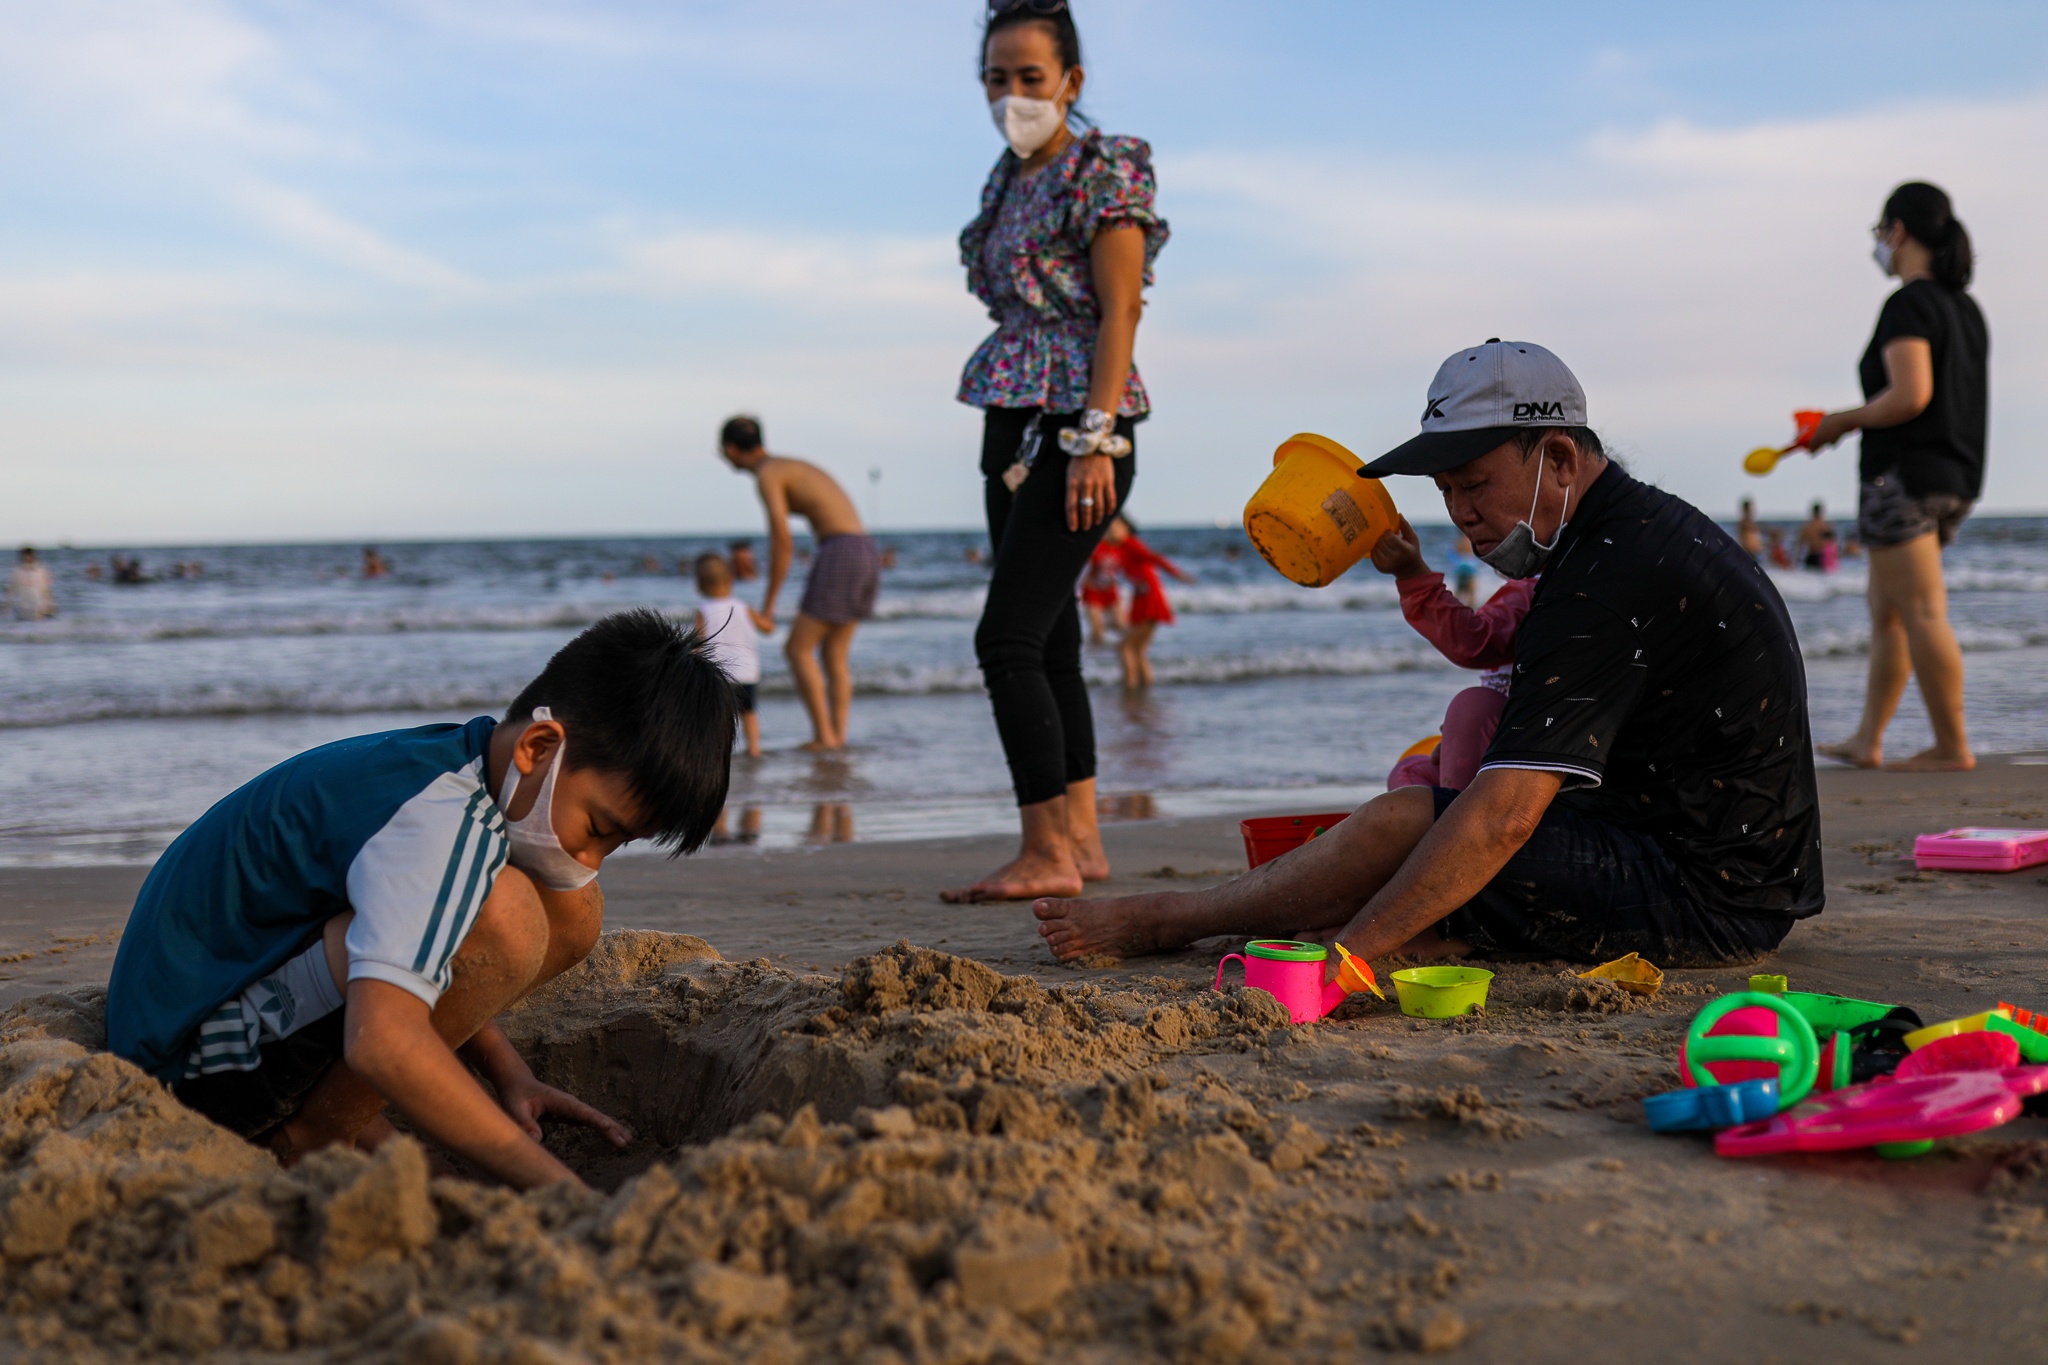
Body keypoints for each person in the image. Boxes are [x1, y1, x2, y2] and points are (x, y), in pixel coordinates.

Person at [1034, 340, 1822, 974]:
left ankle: (1173, 917)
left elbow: (1507, 815)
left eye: (1476, 483)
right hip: (1708, 859)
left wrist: (1349, 959)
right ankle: (1309, 918)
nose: (1462, 515)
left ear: (1560, 457)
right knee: (1432, 805)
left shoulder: (1605, 575)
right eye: (1447, 489)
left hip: (1707, 899)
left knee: (1414, 821)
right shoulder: (1620, 535)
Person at [105, 611, 736, 1190]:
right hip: (187, 1058)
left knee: (572, 911)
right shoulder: (438, 823)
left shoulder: (467, 761)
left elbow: (417, 927)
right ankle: (316, 1135)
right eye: (599, 828)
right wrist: (561, 1192)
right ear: (539, 747)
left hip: (225, 977)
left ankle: (345, 1107)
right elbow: (383, 1040)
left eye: (619, 844)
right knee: (510, 917)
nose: (593, 858)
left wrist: (506, 1072)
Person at [943, 0, 1169, 903]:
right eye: (996, 78)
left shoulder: (1102, 167)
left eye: (1029, 78)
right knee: (1051, 634)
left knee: (1004, 638)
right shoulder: (1005, 179)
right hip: (1010, 408)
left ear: (1070, 83)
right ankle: (1079, 837)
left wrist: (1095, 439)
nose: (1011, 95)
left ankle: (1044, 852)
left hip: (1078, 417)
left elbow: (1121, 311)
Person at [1808, 183, 1987, 772]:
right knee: (1887, 610)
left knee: (1923, 613)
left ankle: (1952, 748)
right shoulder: (1964, 308)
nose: (1880, 244)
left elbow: (1912, 395)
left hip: (1904, 477)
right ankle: (1868, 739)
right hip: (1953, 475)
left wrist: (1840, 421)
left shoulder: (1908, 305)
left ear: (1899, 231)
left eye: (1881, 231)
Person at [716, 415, 881, 752]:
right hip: (864, 548)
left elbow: (782, 541)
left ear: (730, 449)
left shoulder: (768, 475)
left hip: (841, 549)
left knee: (797, 649)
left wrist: (769, 605)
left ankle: (825, 737)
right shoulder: (785, 465)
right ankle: (837, 736)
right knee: (834, 654)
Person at [1370, 520, 1535, 792]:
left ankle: (1455, 827)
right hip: (1496, 746)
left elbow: (1473, 640)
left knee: (1471, 707)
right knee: (1408, 773)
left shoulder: (1535, 590)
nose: (1462, 513)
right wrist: (1460, 739)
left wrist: (1411, 574)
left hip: (1522, 760)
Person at [694, 551, 769, 758]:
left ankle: (721, 750)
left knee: (721, 715)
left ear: (699, 586)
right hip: (747, 671)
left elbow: (698, 643)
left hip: (720, 673)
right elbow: (767, 628)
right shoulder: (744, 607)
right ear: (730, 580)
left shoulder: (703, 610)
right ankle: (754, 747)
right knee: (749, 712)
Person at [1104, 517, 1189, 689]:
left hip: (1149, 601)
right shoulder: (1120, 549)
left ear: (1125, 528)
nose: (1109, 532)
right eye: (1107, 528)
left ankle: (1130, 689)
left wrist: (1176, 574)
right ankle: (1144, 689)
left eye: (1114, 527)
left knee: (1125, 648)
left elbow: (1155, 558)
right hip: (1141, 600)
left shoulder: (1131, 544)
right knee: (1138, 650)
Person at [1080, 539, 1123, 646]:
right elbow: (1084, 571)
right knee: (1098, 630)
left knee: (1120, 624)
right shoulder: (1095, 547)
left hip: (1110, 590)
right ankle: (1093, 657)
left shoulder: (1120, 547)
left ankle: (1117, 651)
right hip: (1093, 591)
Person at [6, 547, 55, 621]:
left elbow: (45, 589)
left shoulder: (41, 570)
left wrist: (50, 604)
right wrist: (6, 604)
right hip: (22, 606)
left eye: (30, 556)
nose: (28, 558)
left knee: (38, 625)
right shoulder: (17, 571)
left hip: (38, 606)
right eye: (25, 556)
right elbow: (12, 589)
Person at [1797, 502, 1838, 572]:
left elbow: (1799, 545)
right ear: (1821, 512)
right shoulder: (1825, 526)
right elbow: (1832, 545)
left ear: (1812, 512)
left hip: (1810, 557)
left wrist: (1795, 562)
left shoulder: (1806, 527)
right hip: (1821, 558)